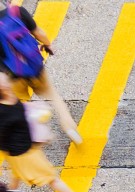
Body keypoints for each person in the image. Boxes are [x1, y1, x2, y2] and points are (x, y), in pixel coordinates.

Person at [0, 72, 99, 192]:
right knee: (52, 178)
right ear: (1, 89)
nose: (5, 79)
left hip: (24, 149)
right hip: (24, 153)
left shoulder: (11, 95)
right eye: (2, 80)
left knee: (16, 174)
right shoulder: (2, 111)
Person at [0, 5, 80, 143]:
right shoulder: (16, 11)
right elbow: (38, 32)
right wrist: (48, 45)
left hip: (13, 76)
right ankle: (70, 128)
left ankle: (35, 132)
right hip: (34, 67)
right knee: (53, 96)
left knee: (22, 106)